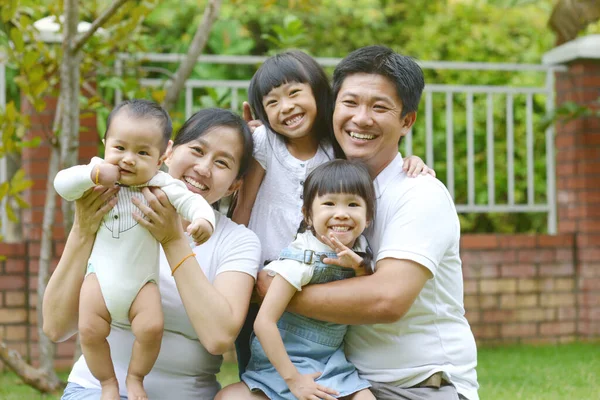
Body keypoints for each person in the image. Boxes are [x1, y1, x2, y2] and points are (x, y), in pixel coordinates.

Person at [256, 45, 480, 400]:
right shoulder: (329, 187)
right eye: (350, 103)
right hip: (344, 376)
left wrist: (276, 291)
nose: (360, 119)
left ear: (407, 121)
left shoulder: (419, 195)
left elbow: (385, 300)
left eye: (379, 107)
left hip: (415, 386)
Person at [231, 50, 434, 375]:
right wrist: (235, 272)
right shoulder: (263, 141)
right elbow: (243, 206)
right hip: (259, 279)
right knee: (256, 367)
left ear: (319, 93)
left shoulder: (336, 147)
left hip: (314, 278)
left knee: (316, 363)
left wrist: (412, 160)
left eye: (295, 93)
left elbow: (376, 154)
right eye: (272, 102)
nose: (287, 107)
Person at [43, 108, 261, 400]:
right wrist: (82, 231)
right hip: (96, 391)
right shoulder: (109, 206)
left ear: (234, 184)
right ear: (168, 154)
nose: (204, 168)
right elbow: (56, 327)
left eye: (222, 163)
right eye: (197, 150)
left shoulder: (238, 241)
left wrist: (172, 239)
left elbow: (218, 337)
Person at [220, 160, 377, 400]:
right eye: (329, 203)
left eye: (353, 204)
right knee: (229, 397)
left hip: (330, 364)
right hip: (282, 365)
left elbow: (364, 298)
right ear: (308, 215)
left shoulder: (361, 250)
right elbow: (264, 323)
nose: (342, 213)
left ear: (368, 218)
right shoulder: (301, 260)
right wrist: (294, 380)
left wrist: (359, 268)